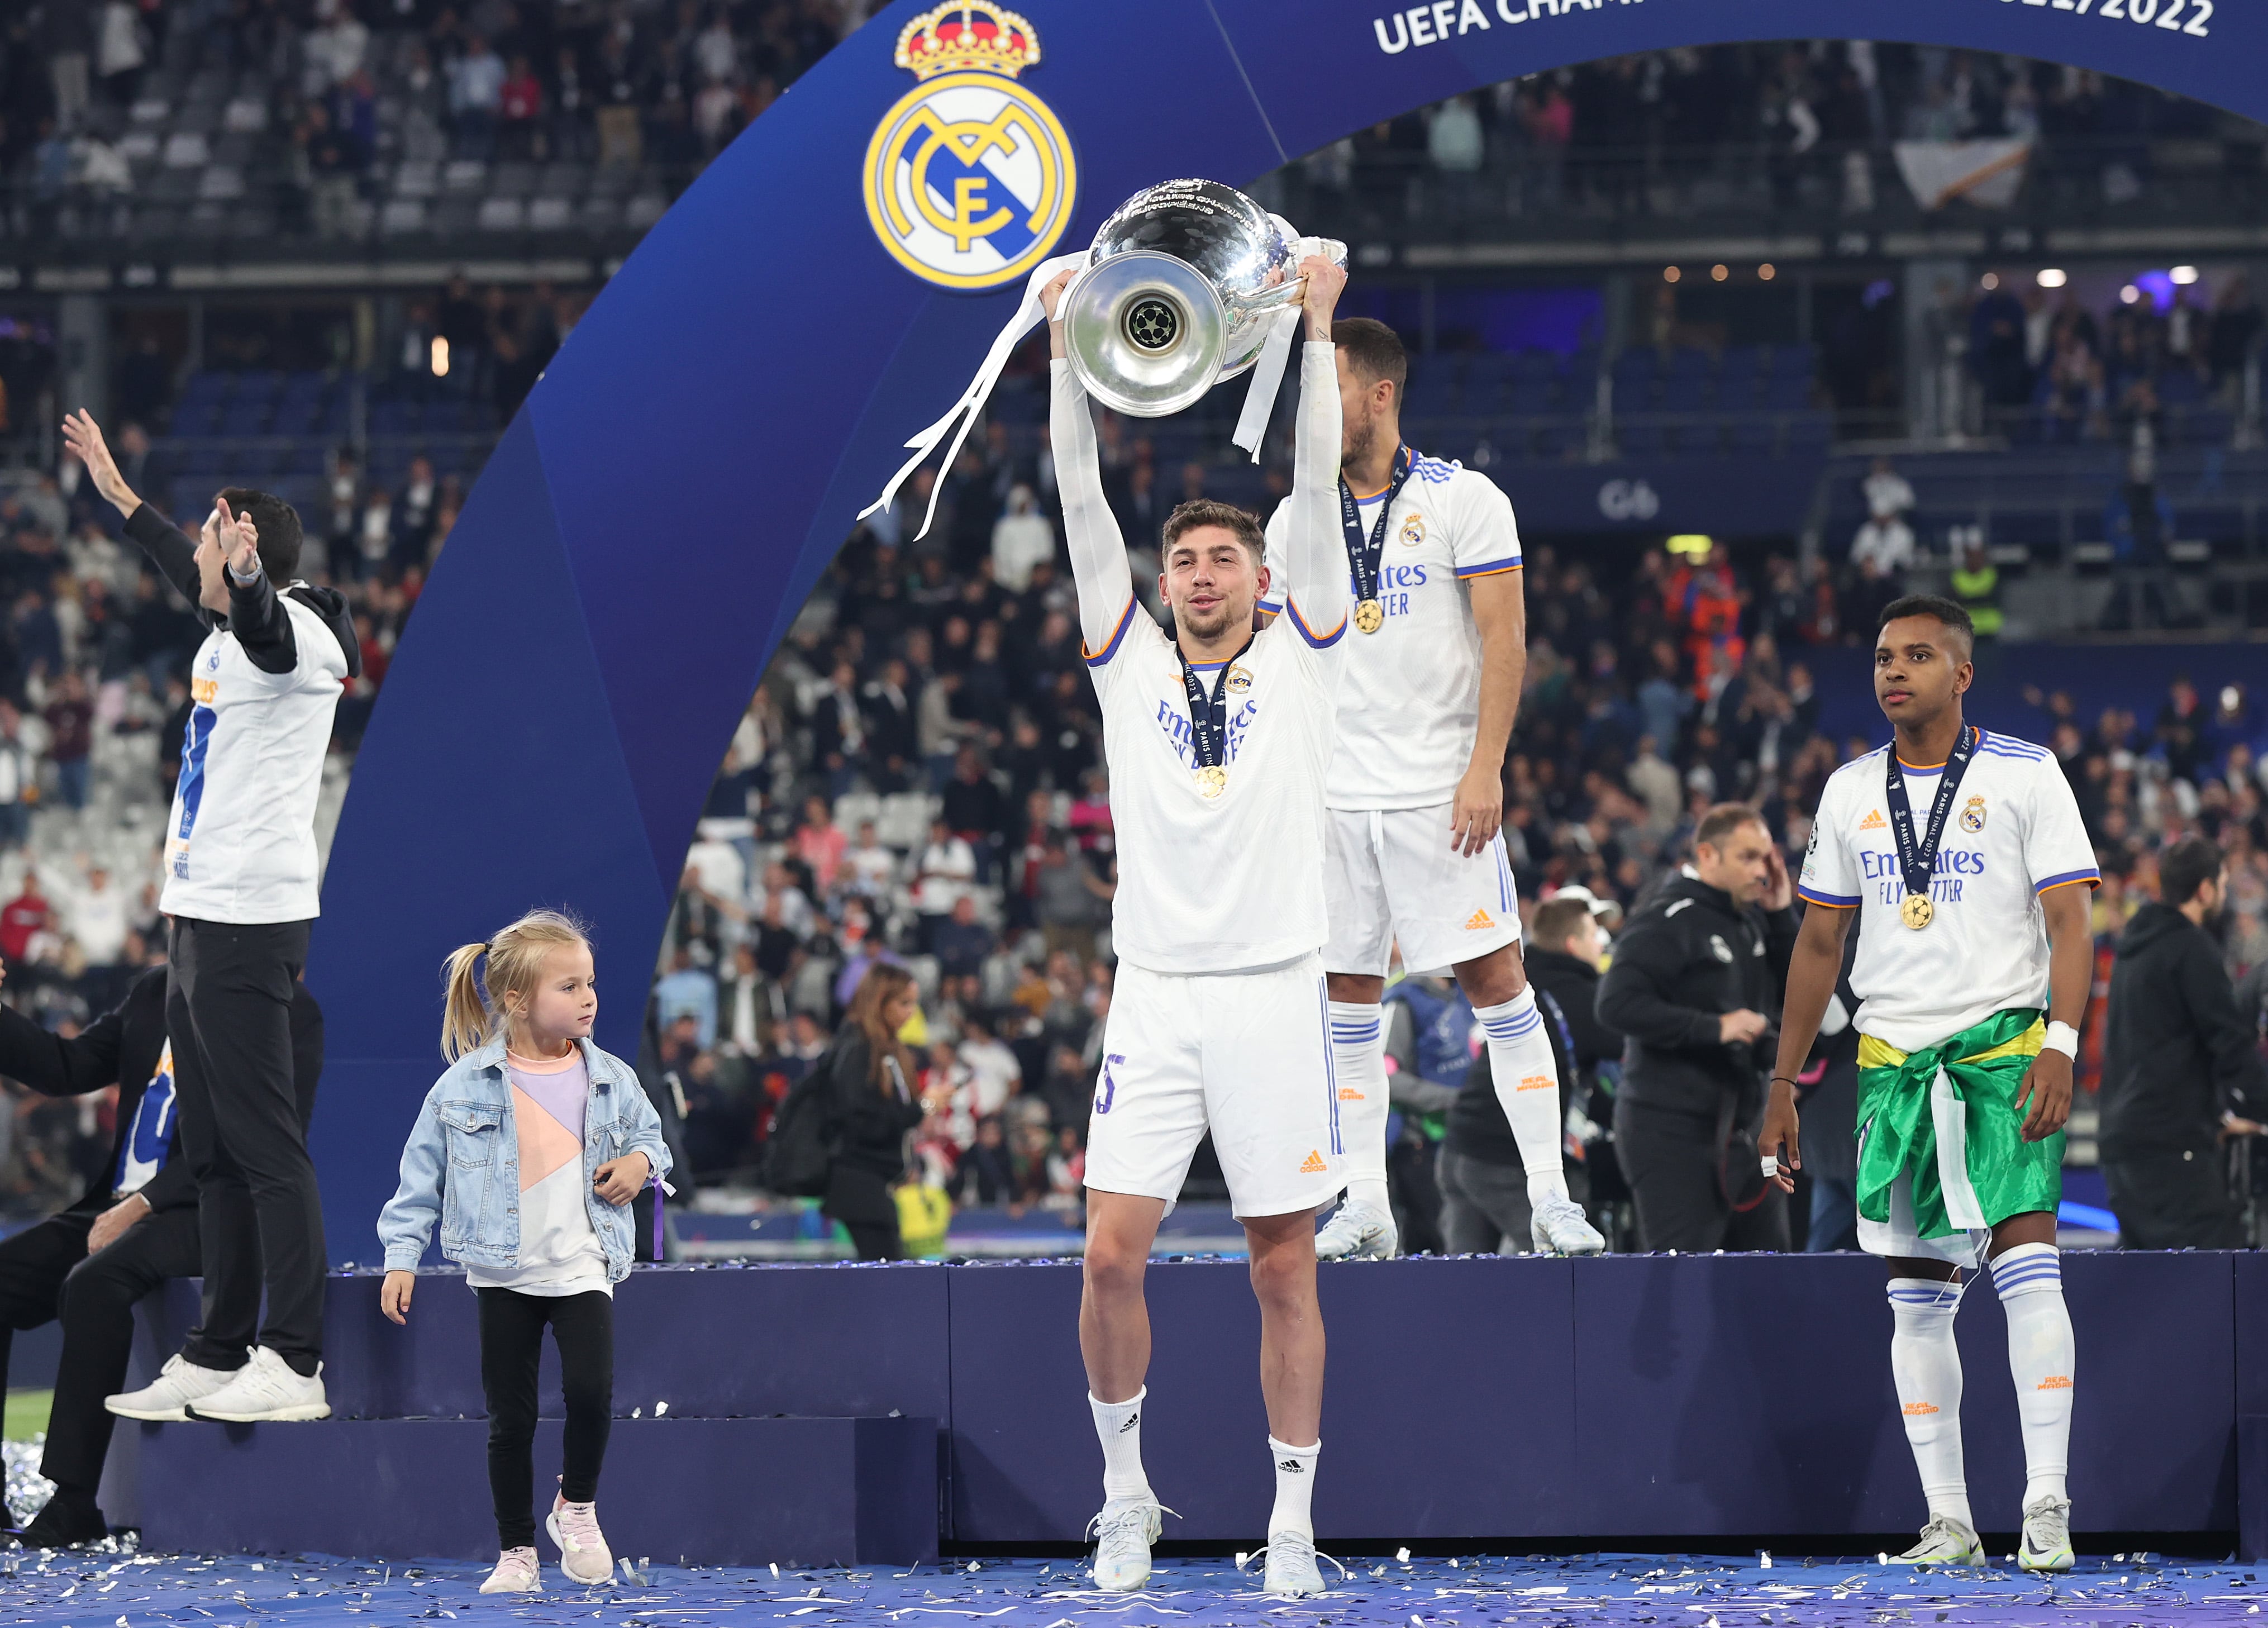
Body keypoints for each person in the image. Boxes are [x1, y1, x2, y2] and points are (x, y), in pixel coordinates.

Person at [1044, 252, 1347, 1599]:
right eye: (1187, 558)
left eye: (1226, 555)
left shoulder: (1304, 658)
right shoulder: (1129, 668)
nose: (1202, 572)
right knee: (1111, 1249)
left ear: (1264, 579)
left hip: (1278, 989)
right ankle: (1126, 1495)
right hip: (1158, 990)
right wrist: (1063, 347)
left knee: (1282, 1263)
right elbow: (1077, 500)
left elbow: (1322, 490)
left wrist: (1322, 322)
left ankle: (1291, 1517)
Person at [1762, 594, 2099, 1573]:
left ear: (1962, 673)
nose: (1891, 670)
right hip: (1891, 1064)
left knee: (2030, 1267)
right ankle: (1948, 1517)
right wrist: (1783, 1078)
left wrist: (2063, 1043)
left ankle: (2047, 1502)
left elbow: (2073, 922)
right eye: (1880, 656)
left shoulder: (2027, 773)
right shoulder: (1847, 789)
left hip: (2001, 1052)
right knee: (1917, 1301)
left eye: (1916, 654)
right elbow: (1820, 941)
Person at [1256, 317, 1600, 1263]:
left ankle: (1548, 1195)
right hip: (1333, 795)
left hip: (1435, 789)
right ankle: (1364, 1199)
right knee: (1348, 996)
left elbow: (1506, 637)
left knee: (1498, 980)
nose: (1308, 414)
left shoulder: (1465, 499)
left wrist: (1485, 763)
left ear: (1377, 394)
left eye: (1324, 391)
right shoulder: (1295, 519)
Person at [64, 410, 359, 1425]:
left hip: (248, 919)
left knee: (266, 1143)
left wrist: (244, 582)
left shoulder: (298, 630)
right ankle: (219, 1343)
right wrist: (124, 499)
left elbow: (273, 631)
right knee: (217, 1149)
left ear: (243, 551)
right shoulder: (232, 632)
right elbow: (210, 592)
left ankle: (297, 1355)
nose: (194, 553)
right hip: (199, 915)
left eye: (211, 541)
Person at [376, 910, 672, 1594]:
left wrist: (639, 1163)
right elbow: (420, 1177)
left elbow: (652, 1140)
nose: (588, 998)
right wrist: (401, 1256)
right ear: (516, 999)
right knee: (510, 1419)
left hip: (582, 1263)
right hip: (502, 1272)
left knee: (592, 1394)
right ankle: (516, 1551)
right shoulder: (463, 1087)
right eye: (568, 987)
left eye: (590, 983)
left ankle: (578, 1507)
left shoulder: (612, 1077)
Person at [0, 959, 321, 1546]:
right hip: (112, 1205)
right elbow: (66, 1066)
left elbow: (263, 1142)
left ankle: (74, 1500)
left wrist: (144, 1202)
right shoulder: (155, 991)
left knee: (94, 1282)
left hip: (208, 1211)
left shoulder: (289, 1012)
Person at [1597, 804, 1797, 1253]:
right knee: (1682, 1280)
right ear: (1708, 855)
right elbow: (1614, 1005)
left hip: (1746, 1132)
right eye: (1747, 857)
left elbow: (1800, 996)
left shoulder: (1751, 920)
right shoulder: (1669, 917)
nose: (1762, 871)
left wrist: (1782, 915)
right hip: (1671, 1132)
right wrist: (1715, 1027)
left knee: (1773, 1275)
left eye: (1766, 858)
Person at [2100, 837, 2264, 1249]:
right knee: (2218, 1268)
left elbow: (2157, 1048)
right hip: (2170, 1148)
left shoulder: (2133, 950)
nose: (2223, 895)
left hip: (2123, 1142)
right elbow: (2230, 1045)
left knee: (2152, 1286)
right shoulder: (2191, 948)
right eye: (2223, 885)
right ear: (2206, 889)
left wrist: (2219, 1118)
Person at [1438, 895, 1619, 1253]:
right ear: (1572, 943)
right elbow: (1624, 1043)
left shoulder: (1518, 979)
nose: (1601, 942)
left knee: (1465, 1281)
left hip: (1460, 1144)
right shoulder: (1582, 995)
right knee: (1553, 1263)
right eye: (1594, 932)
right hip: (1505, 1159)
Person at [820, 963, 933, 1261]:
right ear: (880, 1003)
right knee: (890, 1282)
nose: (911, 1012)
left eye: (914, 1003)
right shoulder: (859, 1049)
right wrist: (922, 1108)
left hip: (874, 1185)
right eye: (904, 1003)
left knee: (888, 1278)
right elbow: (862, 1122)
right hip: (859, 1184)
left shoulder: (881, 1050)